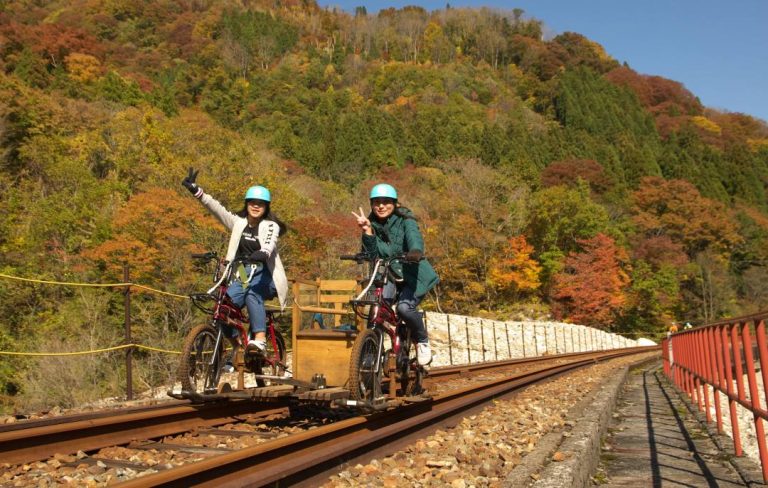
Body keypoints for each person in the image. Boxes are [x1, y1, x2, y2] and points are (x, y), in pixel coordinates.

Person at [182, 168, 288, 365]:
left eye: (260, 204)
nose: (256, 207)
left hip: (267, 273)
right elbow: (217, 209)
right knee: (222, 308)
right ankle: (238, 345)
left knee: (252, 293)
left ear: (266, 207)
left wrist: (263, 253)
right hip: (242, 270)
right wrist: (197, 191)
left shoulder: (270, 225)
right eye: (252, 203)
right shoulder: (238, 223)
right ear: (247, 204)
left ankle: (260, 340)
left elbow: (269, 243)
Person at [351, 183, 439, 366]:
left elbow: (414, 237)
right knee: (376, 308)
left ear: (395, 203)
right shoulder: (371, 223)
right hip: (388, 274)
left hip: (412, 273)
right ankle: (370, 350)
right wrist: (367, 231)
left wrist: (415, 251)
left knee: (404, 309)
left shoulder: (405, 219)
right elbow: (372, 254)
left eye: (386, 202)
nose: (381, 206)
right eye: (376, 202)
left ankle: (422, 342)